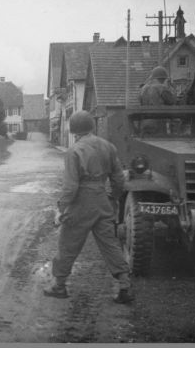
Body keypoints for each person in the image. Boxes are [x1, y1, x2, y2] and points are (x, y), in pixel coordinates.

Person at [44, 110, 133, 304]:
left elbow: (70, 186)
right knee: (110, 244)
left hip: (81, 203)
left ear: (74, 130)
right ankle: (125, 285)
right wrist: (113, 198)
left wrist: (62, 208)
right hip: (102, 199)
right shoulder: (108, 146)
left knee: (68, 244)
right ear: (92, 126)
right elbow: (119, 178)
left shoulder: (74, 151)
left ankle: (59, 286)